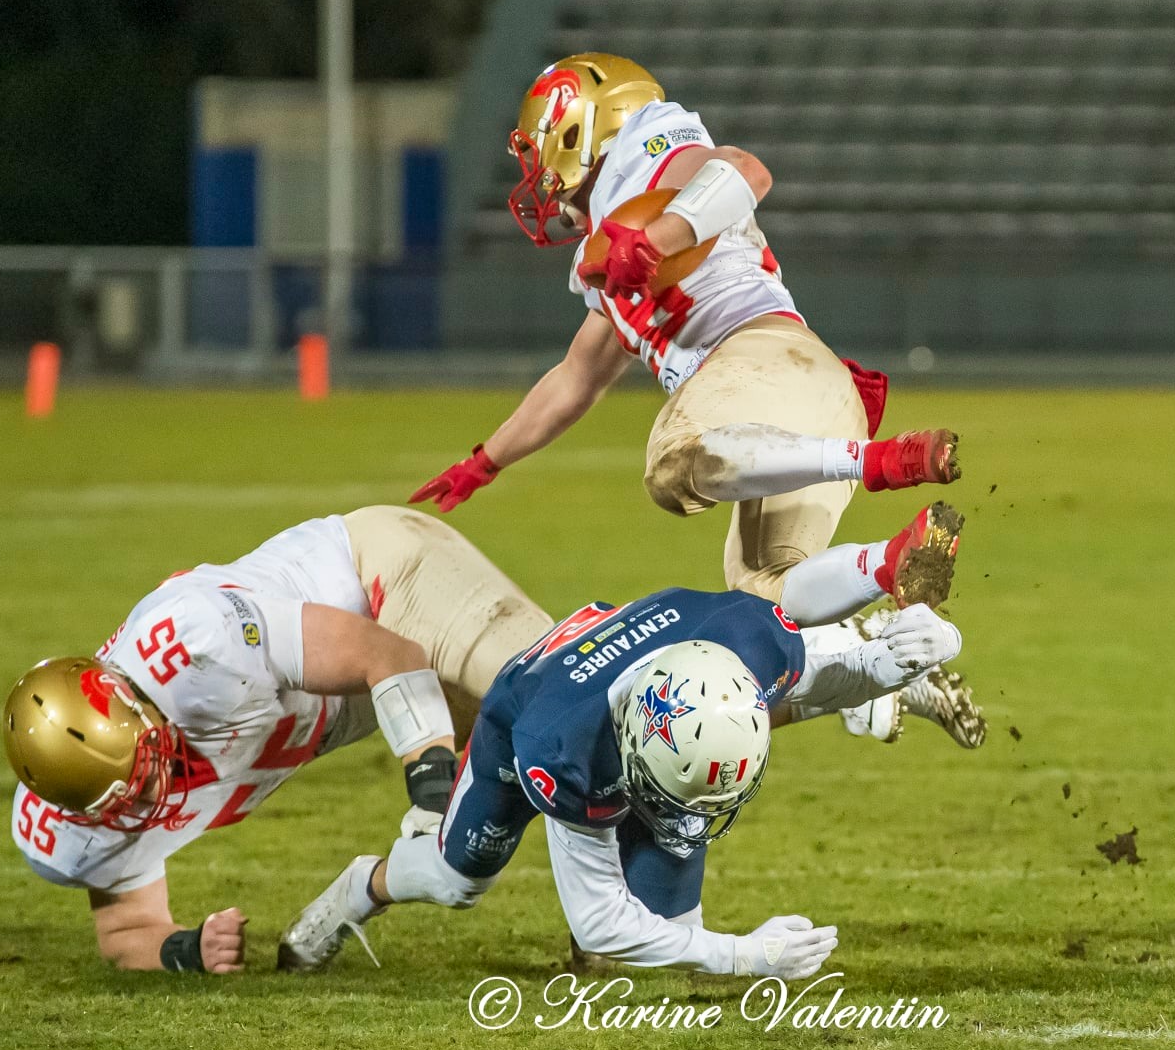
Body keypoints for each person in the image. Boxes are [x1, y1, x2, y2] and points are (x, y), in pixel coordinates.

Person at [410, 52, 963, 623]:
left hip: (760, 355)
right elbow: (574, 379)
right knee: (766, 602)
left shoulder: (643, 153)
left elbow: (743, 171)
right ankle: (894, 588)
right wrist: (485, 462)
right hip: (811, 398)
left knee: (673, 465)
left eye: (538, 149)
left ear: (578, 129)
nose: (537, 178)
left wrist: (656, 240)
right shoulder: (612, 252)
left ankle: (872, 461)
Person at [278, 588, 964, 979]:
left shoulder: (748, 641)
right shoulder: (563, 751)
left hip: (631, 697)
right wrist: (743, 955)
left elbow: (817, 676)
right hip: (524, 711)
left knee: (669, 928)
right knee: (459, 880)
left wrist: (895, 659)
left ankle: (593, 953)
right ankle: (357, 890)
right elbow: (600, 918)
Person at [2, 506, 549, 972]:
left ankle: (614, 932)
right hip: (357, 699)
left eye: (145, 769)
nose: (148, 799)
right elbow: (125, 931)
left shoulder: (199, 644)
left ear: (139, 707)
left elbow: (389, 656)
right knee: (463, 860)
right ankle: (360, 894)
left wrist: (431, 793)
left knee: (561, 708)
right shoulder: (68, 823)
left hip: (380, 580)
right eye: (123, 799)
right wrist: (188, 950)